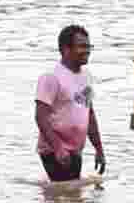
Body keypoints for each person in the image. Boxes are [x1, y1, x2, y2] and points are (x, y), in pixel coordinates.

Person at [35, 25, 106, 182]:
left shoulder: (86, 76)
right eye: (82, 46)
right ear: (66, 49)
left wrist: (99, 149)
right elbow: (40, 116)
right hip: (54, 151)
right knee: (66, 198)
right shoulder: (51, 77)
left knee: (70, 198)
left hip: (74, 150)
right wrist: (58, 148)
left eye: (89, 46)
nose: (87, 50)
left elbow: (89, 114)